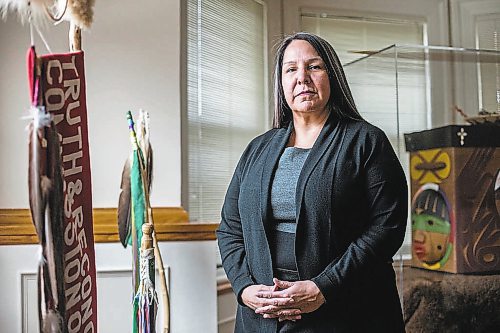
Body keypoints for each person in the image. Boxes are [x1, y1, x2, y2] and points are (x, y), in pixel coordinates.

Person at [216, 32, 408, 333]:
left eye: (314, 67)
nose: (302, 78)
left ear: (332, 75)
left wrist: (323, 287)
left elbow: (386, 228)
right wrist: (243, 289)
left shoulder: (367, 141)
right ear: (281, 83)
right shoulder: (257, 149)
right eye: (291, 69)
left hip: (346, 312)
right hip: (262, 316)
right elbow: (230, 228)